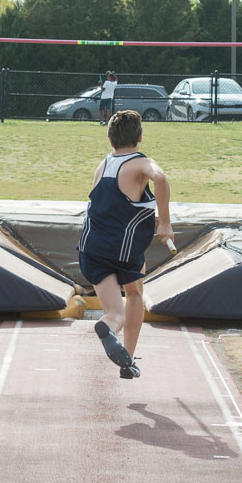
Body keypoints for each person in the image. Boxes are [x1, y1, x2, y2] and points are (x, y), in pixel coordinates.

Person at [78, 110, 173, 379]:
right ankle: (128, 359)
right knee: (134, 294)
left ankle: (109, 327)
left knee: (114, 313)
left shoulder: (103, 164)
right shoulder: (142, 163)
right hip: (124, 250)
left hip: (91, 249)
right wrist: (164, 222)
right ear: (140, 137)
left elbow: (112, 203)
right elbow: (162, 179)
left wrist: (146, 216)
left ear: (110, 140)